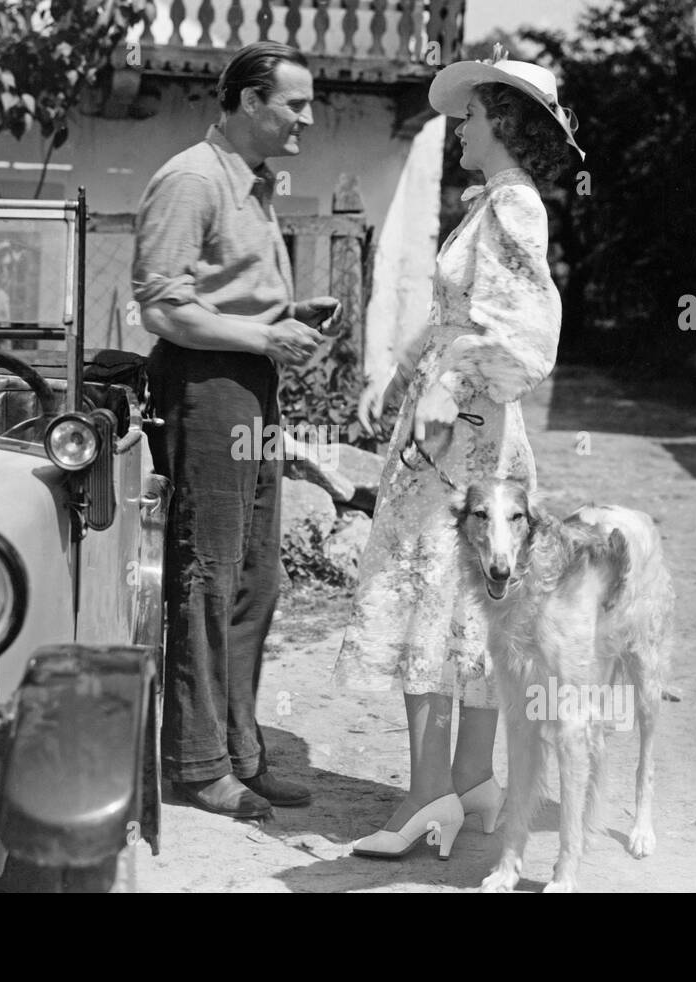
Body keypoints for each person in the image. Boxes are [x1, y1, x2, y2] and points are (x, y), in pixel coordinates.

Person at [331, 48, 585, 858]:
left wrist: (447, 387)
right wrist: (404, 374)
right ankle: (474, 778)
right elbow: (458, 315)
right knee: (469, 603)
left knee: (430, 597)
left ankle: (426, 795)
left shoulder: (514, 207)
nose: (460, 127)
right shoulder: (492, 204)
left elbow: (523, 336)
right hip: (461, 430)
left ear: (503, 121)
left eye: (470, 116)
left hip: (462, 440)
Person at [133, 41, 342, 819]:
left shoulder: (252, 185)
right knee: (207, 574)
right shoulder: (192, 178)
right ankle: (194, 763)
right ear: (251, 101)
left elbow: (228, 299)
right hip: (205, 389)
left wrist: (288, 318)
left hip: (249, 387)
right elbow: (160, 307)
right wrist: (262, 338)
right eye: (296, 104)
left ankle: (239, 752)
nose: (307, 120)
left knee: (258, 577)